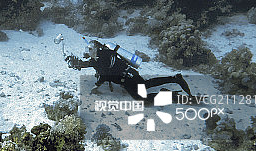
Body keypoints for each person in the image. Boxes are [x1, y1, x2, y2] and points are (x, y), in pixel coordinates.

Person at [66, 39, 194, 103]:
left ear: (96, 49)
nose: (87, 52)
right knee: (146, 85)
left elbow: (103, 75)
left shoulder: (102, 59)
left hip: (129, 78)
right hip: (130, 74)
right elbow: (87, 64)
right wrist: (73, 62)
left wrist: (96, 87)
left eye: (89, 49)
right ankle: (173, 79)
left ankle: (171, 94)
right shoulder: (101, 56)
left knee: (141, 98)